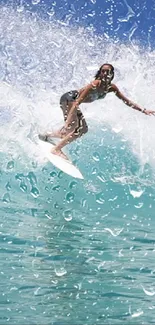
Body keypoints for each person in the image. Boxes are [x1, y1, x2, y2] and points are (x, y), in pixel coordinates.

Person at [39, 63, 155, 160]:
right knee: (81, 129)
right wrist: (68, 121)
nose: (105, 73)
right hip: (69, 99)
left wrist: (143, 110)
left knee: (70, 131)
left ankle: (46, 135)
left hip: (70, 101)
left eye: (108, 71)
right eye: (103, 71)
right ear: (99, 73)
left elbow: (126, 101)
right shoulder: (95, 84)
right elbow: (76, 102)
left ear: (112, 74)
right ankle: (56, 149)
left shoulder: (111, 88)